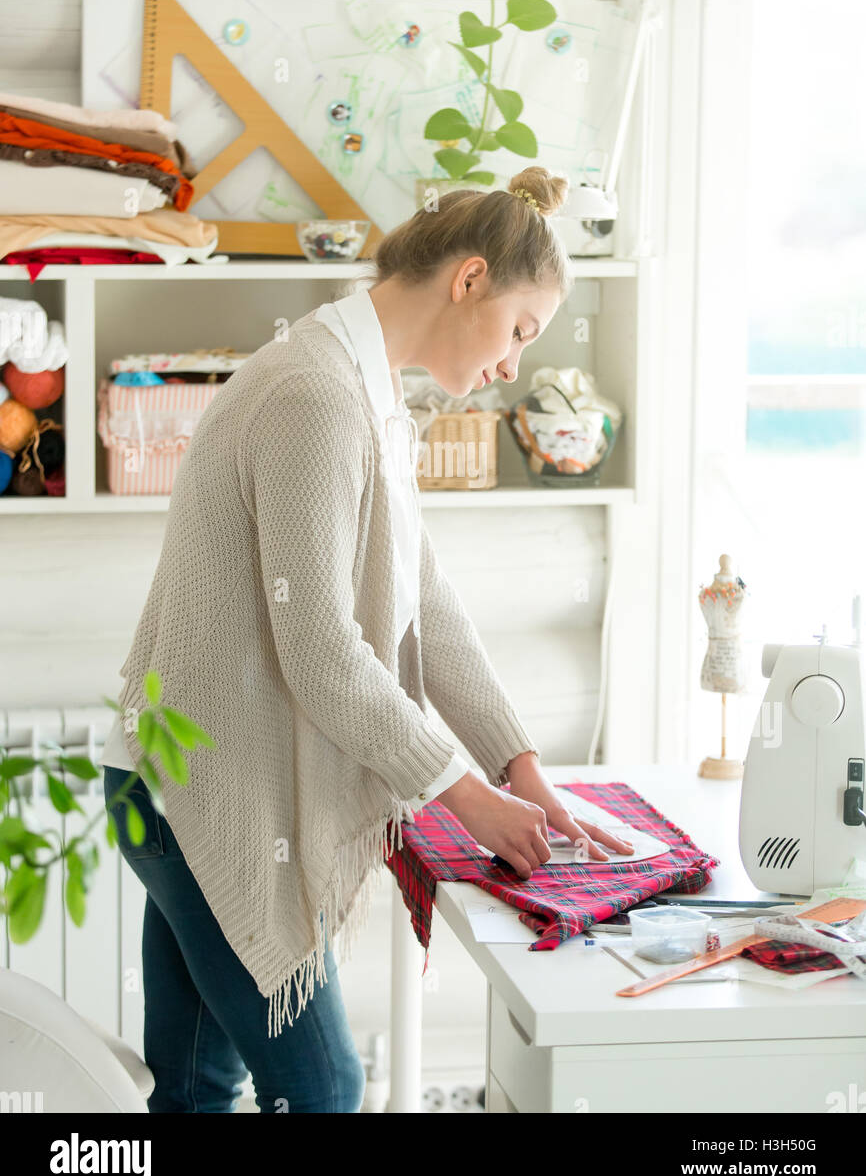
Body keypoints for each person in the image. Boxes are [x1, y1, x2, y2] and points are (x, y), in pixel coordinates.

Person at [101, 163, 633, 1113]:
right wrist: (466, 797)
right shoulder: (317, 397)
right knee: (327, 1089)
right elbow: (323, 654)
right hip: (199, 791)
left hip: (178, 775)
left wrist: (521, 768)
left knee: (193, 1086)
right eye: (520, 330)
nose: (515, 364)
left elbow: (426, 594)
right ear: (469, 280)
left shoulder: (365, 386)